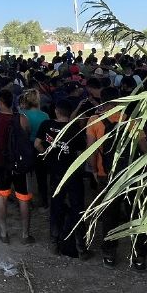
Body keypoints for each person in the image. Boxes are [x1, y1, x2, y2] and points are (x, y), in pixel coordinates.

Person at [88, 87, 147, 271]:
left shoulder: (94, 121)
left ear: (103, 102)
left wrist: (94, 170)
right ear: (120, 102)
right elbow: (145, 149)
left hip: (106, 176)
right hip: (131, 175)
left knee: (109, 216)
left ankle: (109, 254)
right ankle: (139, 256)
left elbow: (91, 151)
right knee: (135, 214)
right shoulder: (132, 121)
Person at [35, 99, 90, 259]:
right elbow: (83, 152)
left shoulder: (46, 125)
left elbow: (37, 143)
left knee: (56, 207)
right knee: (77, 208)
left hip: (55, 173)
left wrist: (47, 156)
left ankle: (54, 242)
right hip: (73, 174)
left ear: (56, 111)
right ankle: (81, 247)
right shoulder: (76, 130)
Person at [0, 89, 34, 244]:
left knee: (1, 198)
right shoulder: (22, 118)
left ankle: (3, 233)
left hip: (1, 163)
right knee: (23, 199)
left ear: (0, 102)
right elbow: (27, 134)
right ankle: (25, 235)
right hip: (19, 163)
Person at [19, 89, 50, 208]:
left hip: (25, 148)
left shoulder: (22, 114)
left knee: (27, 176)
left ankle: (27, 201)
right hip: (40, 147)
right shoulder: (45, 115)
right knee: (41, 176)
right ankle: (44, 201)